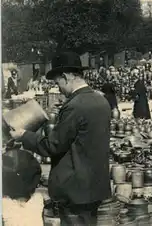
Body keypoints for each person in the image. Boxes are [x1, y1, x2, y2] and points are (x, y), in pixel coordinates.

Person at [10, 51, 112, 225]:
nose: (59, 89)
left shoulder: (75, 106)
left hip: (76, 190)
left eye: (58, 83)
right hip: (95, 186)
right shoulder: (101, 101)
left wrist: (24, 135)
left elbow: (52, 146)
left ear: (65, 77)